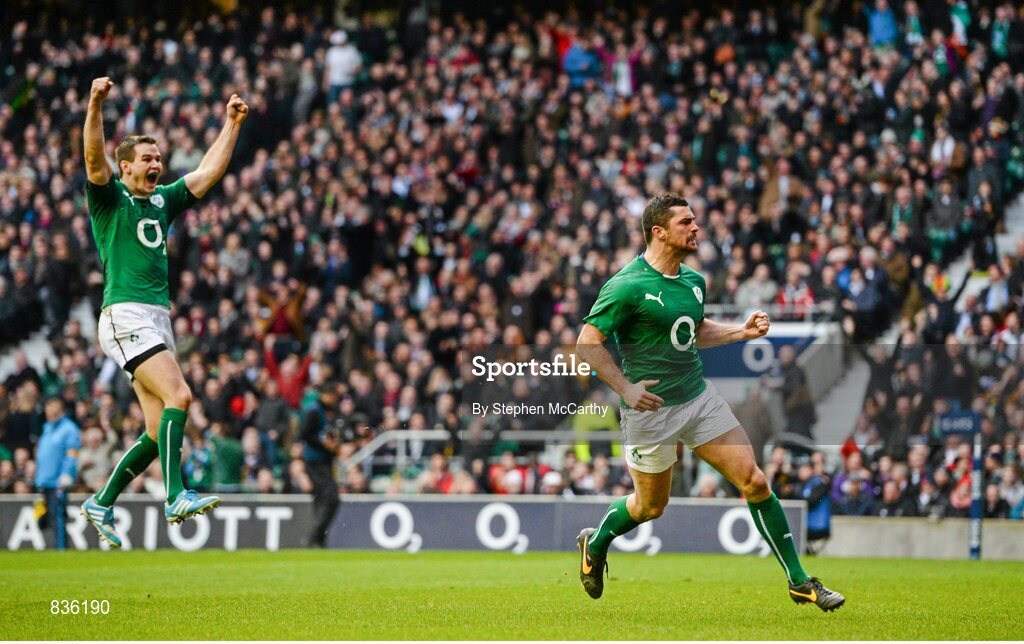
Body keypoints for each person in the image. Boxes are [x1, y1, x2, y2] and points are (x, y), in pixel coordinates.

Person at [575, 194, 844, 610]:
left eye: (695, 220)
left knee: (754, 480)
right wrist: (626, 389)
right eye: (686, 222)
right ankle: (597, 544)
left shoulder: (694, 282)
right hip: (649, 410)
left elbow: (693, 331)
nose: (696, 228)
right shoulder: (627, 285)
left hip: (698, 398)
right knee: (650, 506)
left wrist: (739, 332)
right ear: (659, 232)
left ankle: (799, 580)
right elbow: (587, 343)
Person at [79, 77, 249, 548]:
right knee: (181, 395)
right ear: (126, 166)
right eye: (147, 159)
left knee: (156, 433)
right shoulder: (108, 199)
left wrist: (231, 125)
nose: (157, 164)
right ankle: (175, 494)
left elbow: (207, 173)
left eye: (159, 158)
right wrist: (95, 104)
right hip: (124, 314)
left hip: (157, 318)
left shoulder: (162, 200)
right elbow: (93, 157)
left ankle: (101, 502)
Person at [300, 383, 343, 547]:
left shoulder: (322, 411)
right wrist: (325, 445)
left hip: (322, 462)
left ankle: (318, 540)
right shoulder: (315, 411)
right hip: (315, 462)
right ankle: (315, 537)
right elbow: (305, 434)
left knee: (322, 499)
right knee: (331, 497)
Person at [34, 398, 80, 550]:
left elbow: (71, 454)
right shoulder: (47, 427)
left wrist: (67, 474)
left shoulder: (68, 429)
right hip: (44, 480)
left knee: (58, 517)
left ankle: (61, 549)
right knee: (45, 519)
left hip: (57, 481)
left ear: (59, 409)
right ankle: (55, 547)